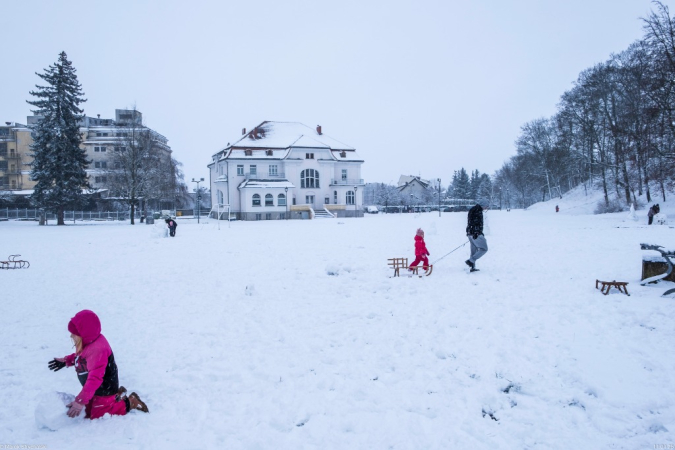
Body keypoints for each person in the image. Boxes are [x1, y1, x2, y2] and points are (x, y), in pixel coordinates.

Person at [48, 310, 148, 419]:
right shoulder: (88, 341)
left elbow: (95, 379)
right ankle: (116, 396)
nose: (71, 336)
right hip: (96, 388)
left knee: (98, 414)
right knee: (88, 410)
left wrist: (80, 401)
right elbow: (82, 358)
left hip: (105, 387)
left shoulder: (98, 349)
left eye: (74, 334)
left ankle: (130, 402)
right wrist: (67, 360)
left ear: (84, 333)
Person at [465, 203, 488, 272]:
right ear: (482, 205)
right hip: (475, 233)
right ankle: (471, 261)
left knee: (473, 251)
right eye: (486, 206)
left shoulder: (473, 209)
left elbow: (470, 221)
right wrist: (476, 232)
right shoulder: (478, 211)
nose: (486, 208)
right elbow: (475, 222)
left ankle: (472, 267)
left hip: (470, 233)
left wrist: (470, 231)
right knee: (484, 249)